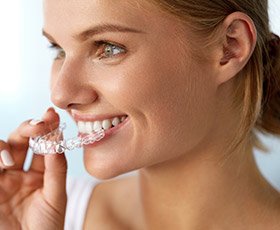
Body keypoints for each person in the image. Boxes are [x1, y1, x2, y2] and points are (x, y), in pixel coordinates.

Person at [0, 0, 280, 229]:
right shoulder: (42, 215)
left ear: (229, 47)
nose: (60, 94)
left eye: (108, 48)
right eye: (58, 49)